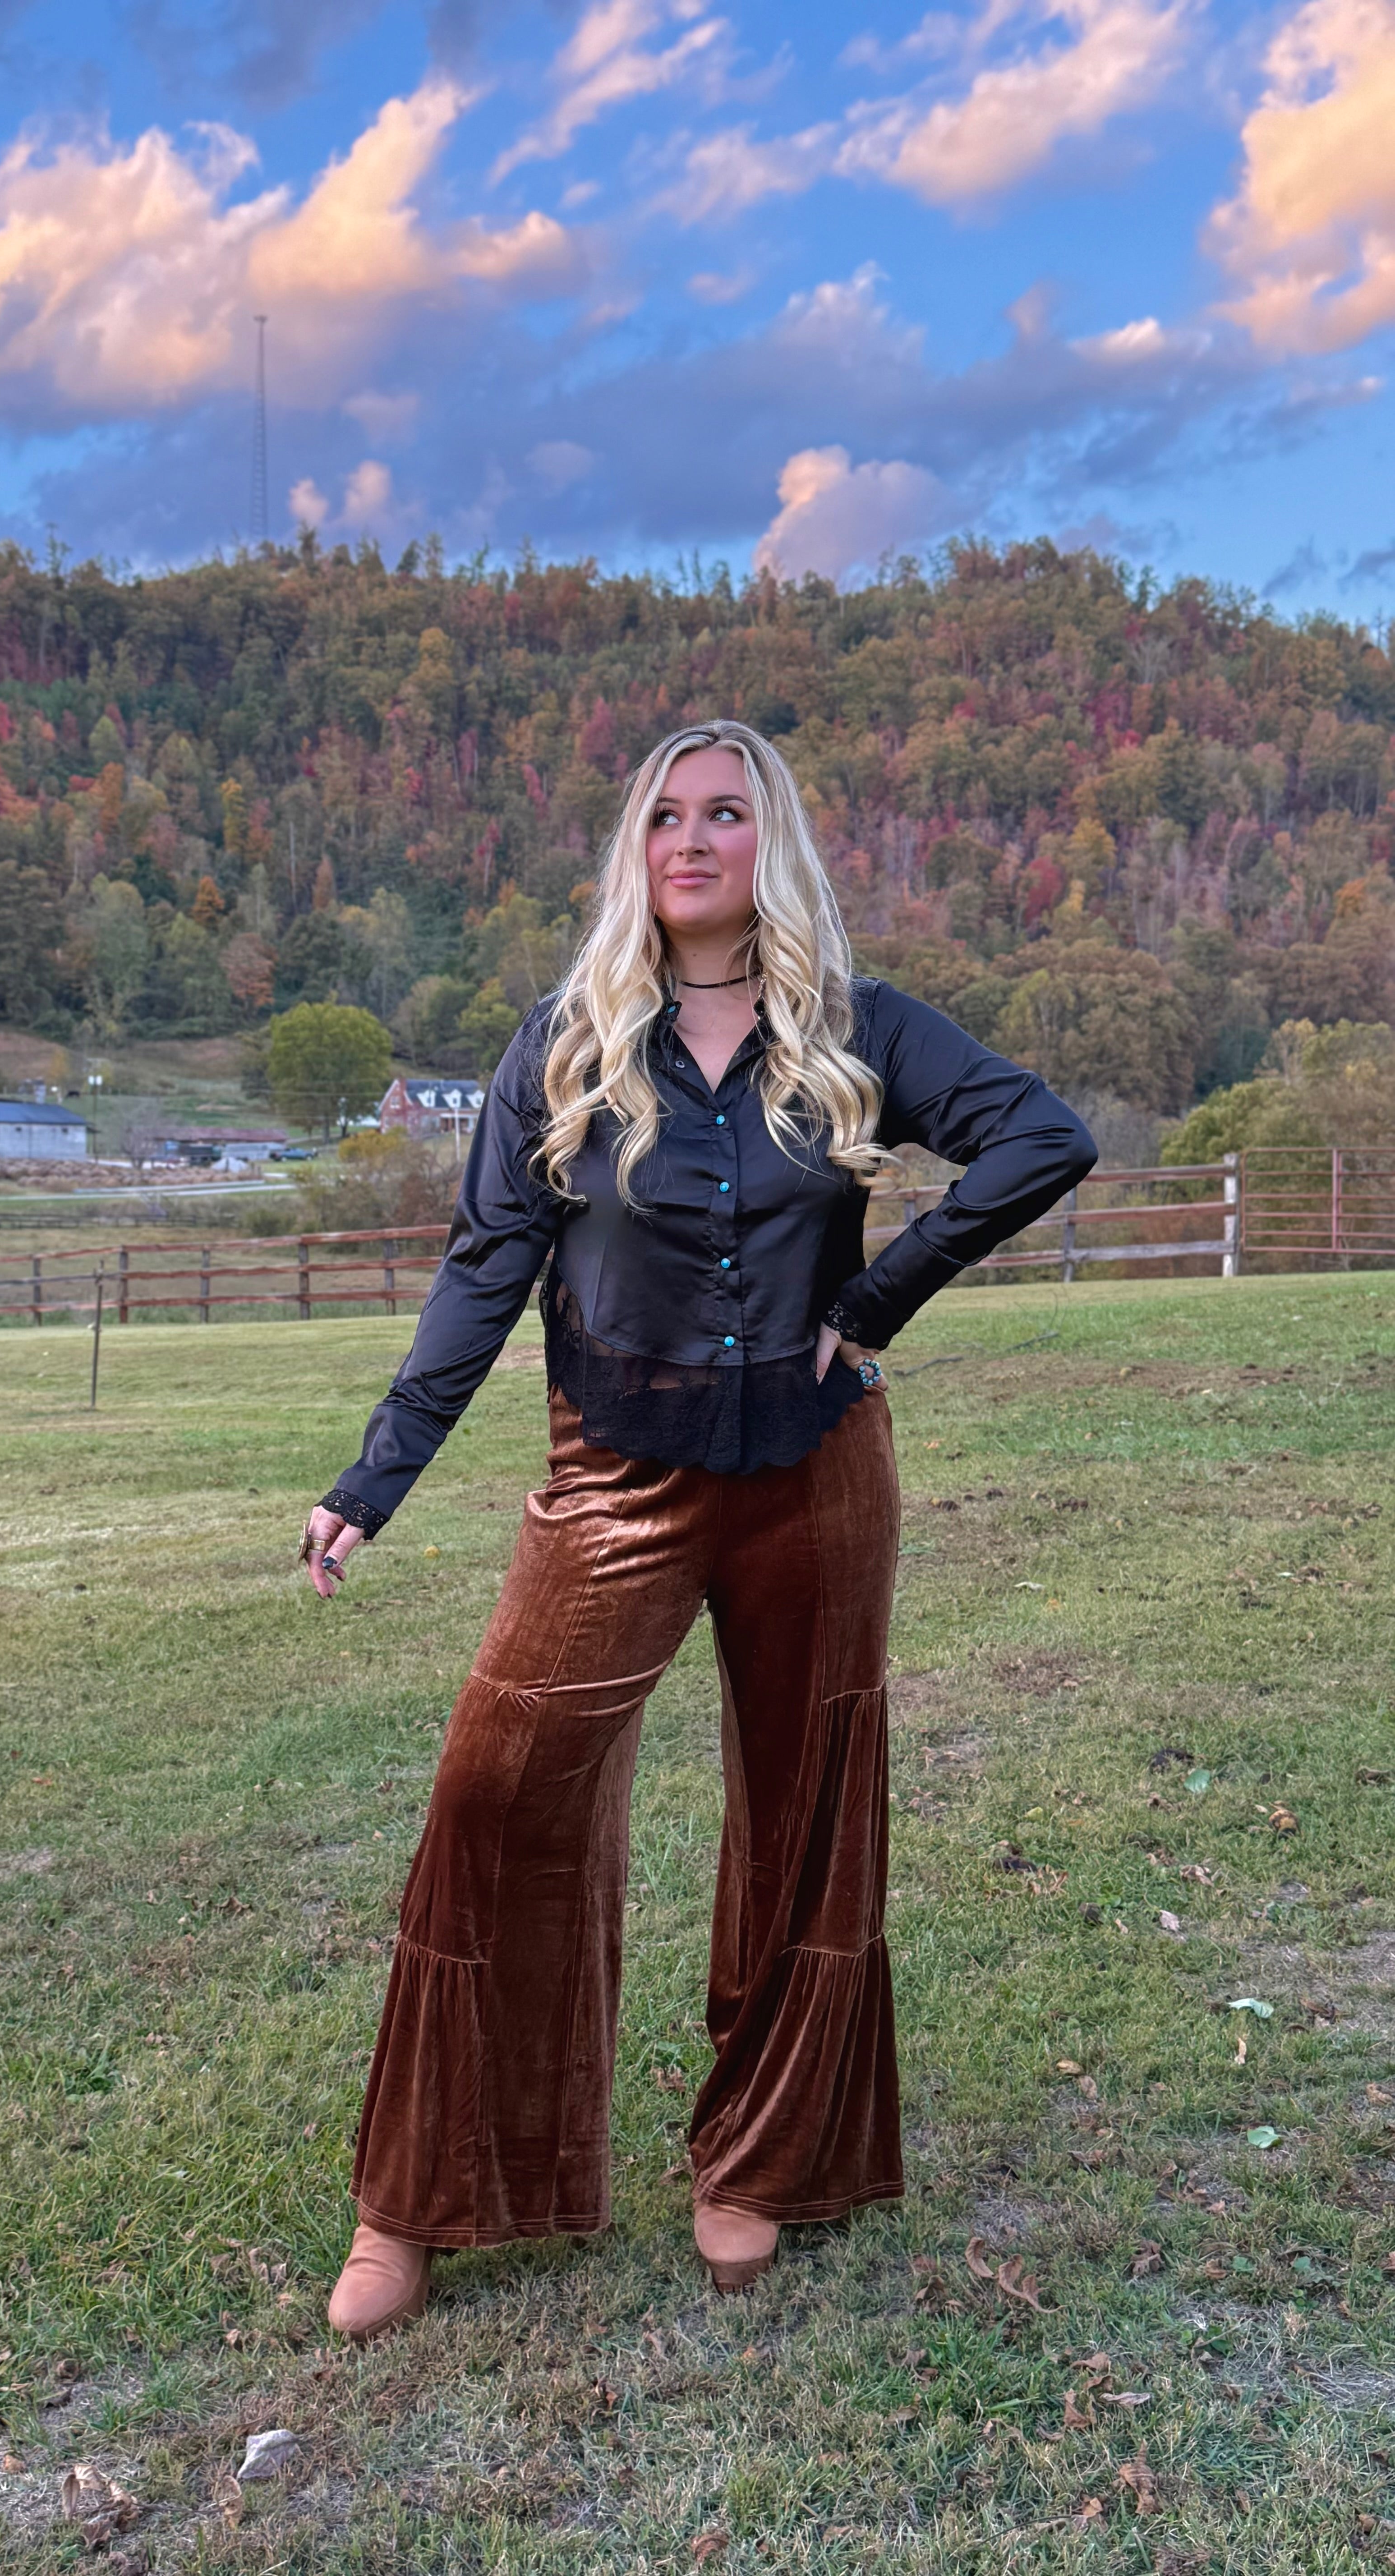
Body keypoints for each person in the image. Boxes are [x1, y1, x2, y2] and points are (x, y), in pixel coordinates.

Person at [299, 719, 1096, 2340]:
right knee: (496, 1787)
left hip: (816, 1470)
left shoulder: (857, 1027)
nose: (690, 839)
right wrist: (374, 1478)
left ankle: (757, 2161)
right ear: (634, 849)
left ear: (766, 843)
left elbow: (1044, 1138)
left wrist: (873, 1301)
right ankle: (424, 2196)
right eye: (664, 814)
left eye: (724, 813)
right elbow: (483, 1266)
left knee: (806, 1806)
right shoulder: (566, 1042)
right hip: (616, 1470)